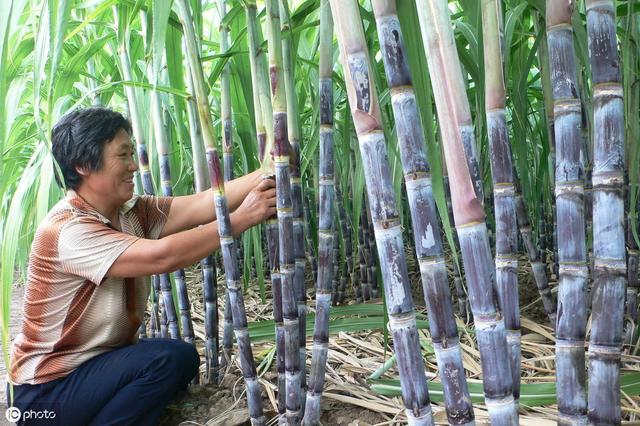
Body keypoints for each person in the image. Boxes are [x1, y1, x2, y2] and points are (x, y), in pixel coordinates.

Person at [6, 107, 277, 425]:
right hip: (43, 395)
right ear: (83, 165)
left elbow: (202, 203)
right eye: (123, 155)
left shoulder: (131, 211)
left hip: (89, 370)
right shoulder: (68, 229)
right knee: (162, 361)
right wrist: (243, 218)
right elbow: (162, 256)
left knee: (181, 357)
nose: (134, 165)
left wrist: (269, 169)